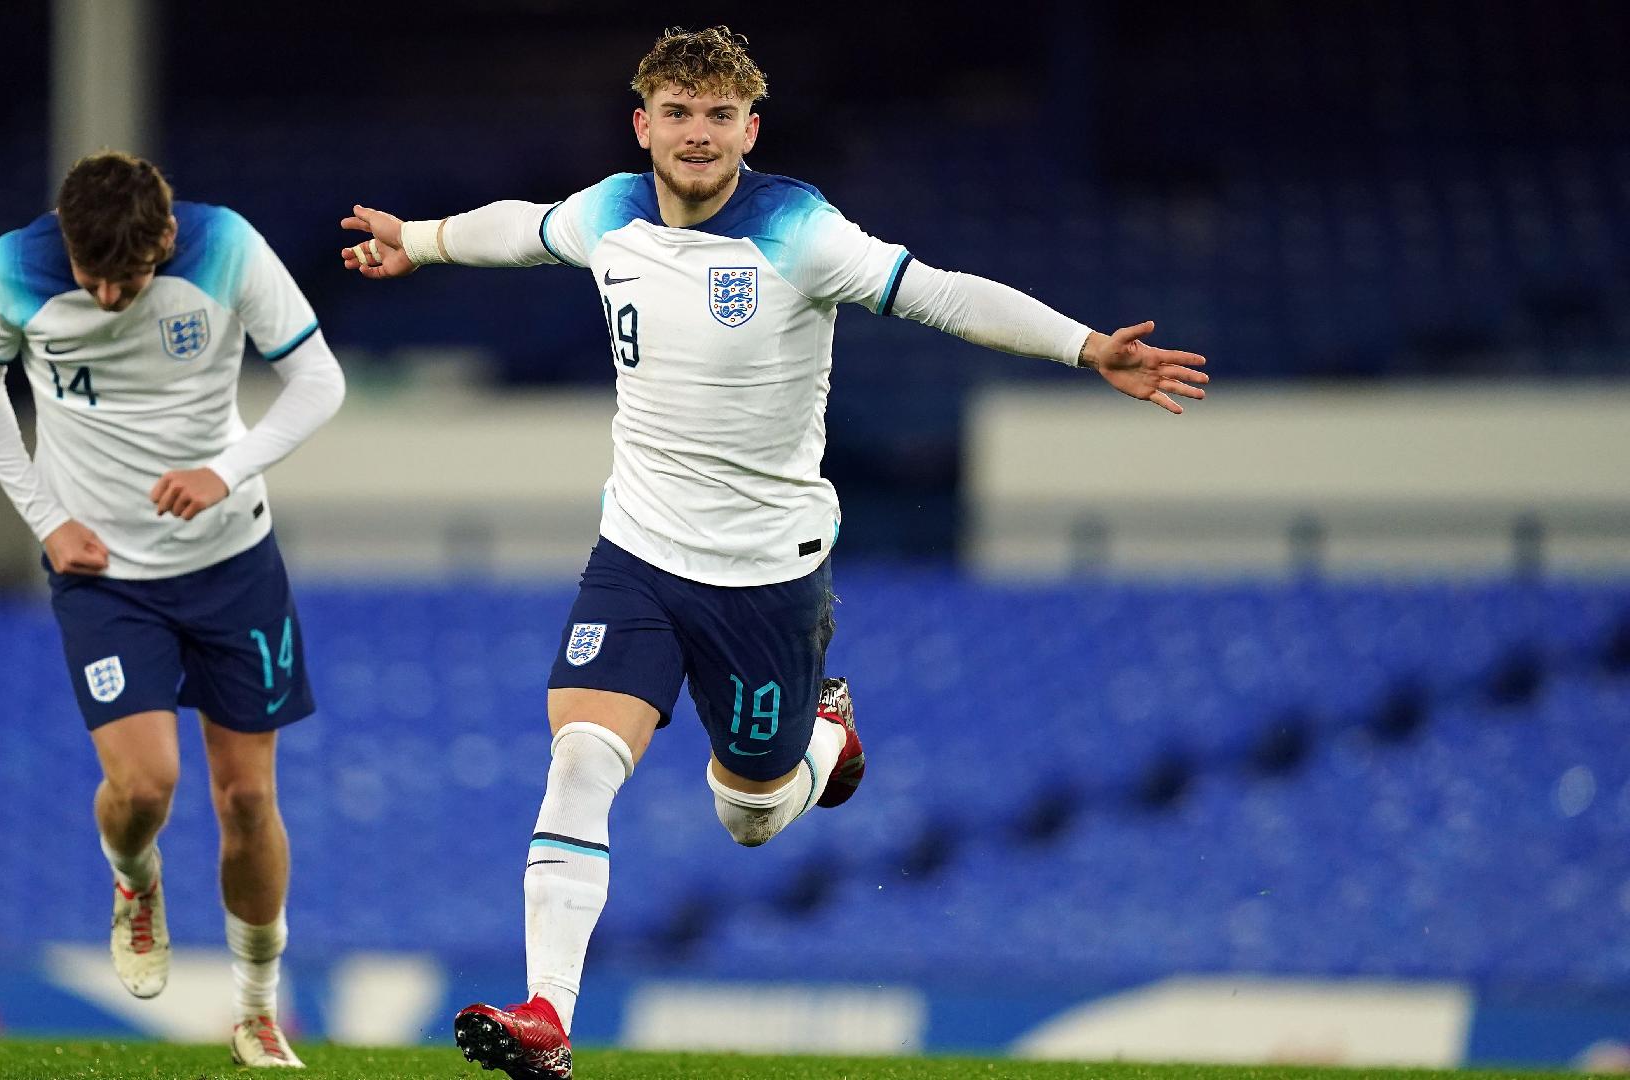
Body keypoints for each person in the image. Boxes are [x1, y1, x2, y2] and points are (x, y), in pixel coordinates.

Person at [339, 26, 1207, 1080]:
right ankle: (549, 1020)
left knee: (749, 815)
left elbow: (941, 292)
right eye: (677, 112)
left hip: (765, 575)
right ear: (642, 124)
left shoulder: (801, 231)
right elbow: (520, 229)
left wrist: (1085, 346)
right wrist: (419, 239)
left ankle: (826, 743)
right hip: (639, 555)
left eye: (718, 116)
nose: (696, 134)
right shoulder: (609, 210)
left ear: (751, 128)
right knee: (577, 760)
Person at [0, 151, 344, 1069]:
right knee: (146, 787)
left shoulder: (228, 249)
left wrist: (226, 470)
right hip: (104, 573)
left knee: (246, 797)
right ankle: (136, 882)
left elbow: (320, 381)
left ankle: (255, 1011)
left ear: (165, 240)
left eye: (125, 279)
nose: (109, 297)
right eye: (91, 279)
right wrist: (47, 520)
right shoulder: (8, 270)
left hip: (231, 561)